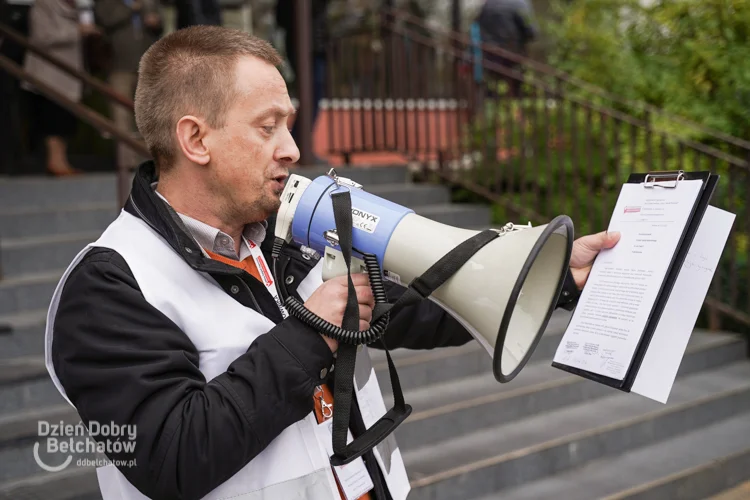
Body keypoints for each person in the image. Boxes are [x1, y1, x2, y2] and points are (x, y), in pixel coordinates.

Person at [45, 26, 619, 500]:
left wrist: (553, 279)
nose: (292, 148)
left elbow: (408, 307)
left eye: (289, 125)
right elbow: (170, 456)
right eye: (268, 127)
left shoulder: (279, 236)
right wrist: (313, 333)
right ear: (196, 139)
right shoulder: (109, 285)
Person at [23, 0, 98, 175]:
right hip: (49, 73)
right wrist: (77, 31)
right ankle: (55, 162)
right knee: (52, 119)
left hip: (71, 74)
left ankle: (62, 161)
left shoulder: (79, 8)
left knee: (66, 119)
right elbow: (41, 37)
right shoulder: (43, 6)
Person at [93, 0, 163, 168]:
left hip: (147, 65)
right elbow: (105, 19)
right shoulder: (108, 3)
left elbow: (161, 22)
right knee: (121, 115)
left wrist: (156, 21)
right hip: (118, 65)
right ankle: (126, 162)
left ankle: (150, 160)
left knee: (149, 114)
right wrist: (131, 9)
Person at [475, 0, 539, 98]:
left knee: (493, 92)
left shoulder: (487, 5)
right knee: (517, 94)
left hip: (490, 59)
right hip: (514, 58)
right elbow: (532, 32)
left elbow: (479, 27)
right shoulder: (519, 3)